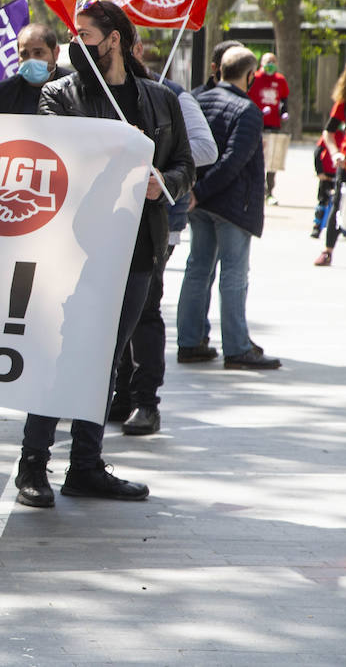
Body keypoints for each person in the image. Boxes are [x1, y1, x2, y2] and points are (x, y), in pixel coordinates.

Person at [13, 0, 193, 508]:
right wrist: (116, 150)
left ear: (114, 39)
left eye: (87, 34)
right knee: (61, 354)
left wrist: (165, 183)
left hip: (137, 247)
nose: (78, 44)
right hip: (76, 247)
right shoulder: (59, 95)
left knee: (108, 359)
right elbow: (56, 159)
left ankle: (85, 466)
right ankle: (33, 462)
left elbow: (183, 164)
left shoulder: (160, 100)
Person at [110, 44, 219, 435]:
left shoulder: (169, 94)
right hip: (103, 223)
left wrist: (151, 163)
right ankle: (119, 394)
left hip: (155, 222)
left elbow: (203, 150)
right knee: (111, 313)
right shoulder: (88, 91)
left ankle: (144, 401)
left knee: (144, 310)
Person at [174, 47, 279, 371]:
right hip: (231, 205)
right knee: (234, 275)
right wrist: (201, 191)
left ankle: (190, 342)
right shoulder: (247, 109)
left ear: (219, 70)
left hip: (199, 201)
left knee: (198, 269)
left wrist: (195, 192)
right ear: (249, 76)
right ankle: (237, 347)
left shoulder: (197, 99)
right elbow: (234, 161)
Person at [0, 23, 74, 114]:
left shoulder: (73, 88)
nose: (31, 59)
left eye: (38, 53)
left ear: (55, 53)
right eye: (24, 54)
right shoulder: (2, 92)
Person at [312, 63, 346, 266]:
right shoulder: (344, 100)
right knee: (337, 206)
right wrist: (335, 152)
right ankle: (327, 251)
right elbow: (329, 131)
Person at [246, 52, 290, 201]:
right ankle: (255, 188)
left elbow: (284, 99)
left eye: (273, 61)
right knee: (254, 155)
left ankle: (269, 191)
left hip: (274, 123)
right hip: (257, 122)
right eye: (268, 61)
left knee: (272, 159)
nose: (271, 64)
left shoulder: (280, 80)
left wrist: (284, 112)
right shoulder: (255, 78)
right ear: (261, 63)